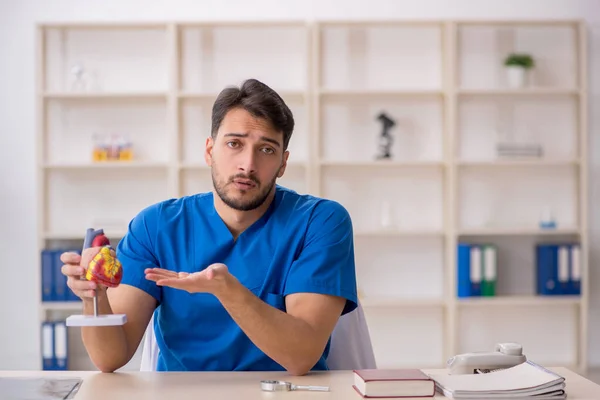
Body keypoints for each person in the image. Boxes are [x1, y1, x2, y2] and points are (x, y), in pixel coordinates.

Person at [60, 78, 358, 375]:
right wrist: (93, 298)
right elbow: (111, 357)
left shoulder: (320, 222)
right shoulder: (156, 226)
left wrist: (227, 291)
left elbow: (301, 356)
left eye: (266, 149)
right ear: (209, 150)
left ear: (283, 163)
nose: (247, 164)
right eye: (234, 144)